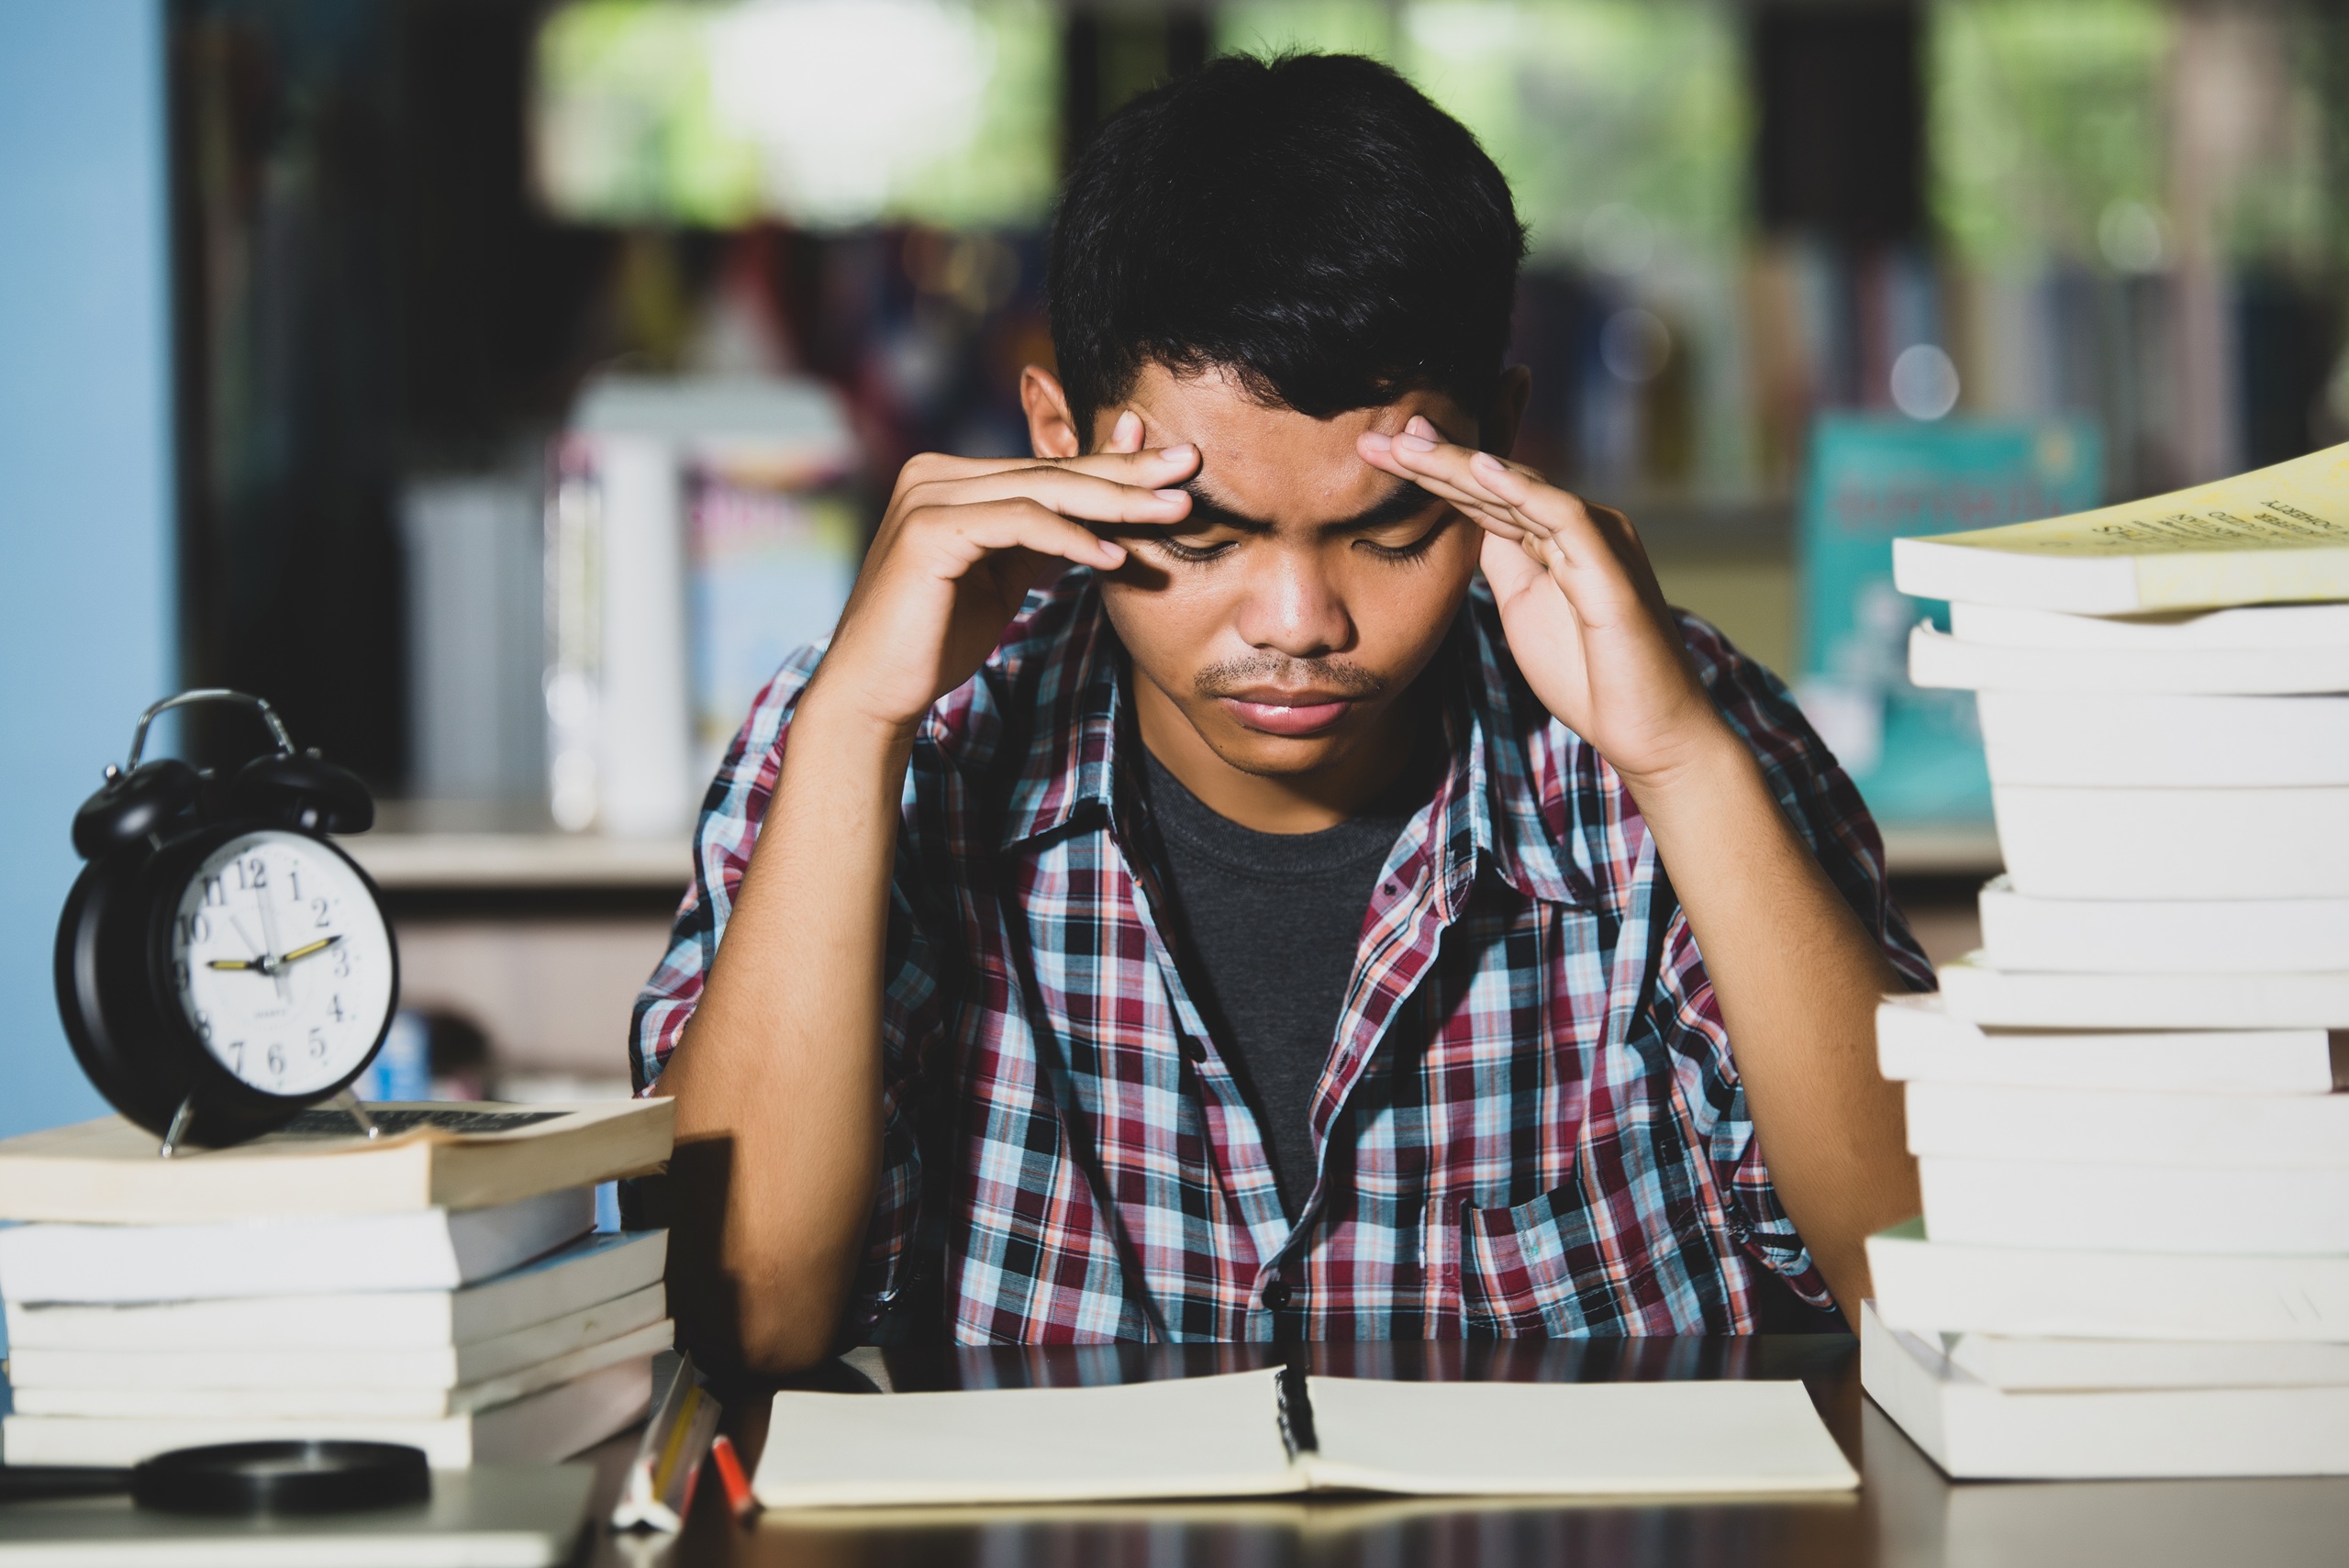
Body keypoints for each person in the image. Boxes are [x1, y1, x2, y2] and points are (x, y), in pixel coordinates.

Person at [631, 52, 1932, 1372]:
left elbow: (1933, 1281)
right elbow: (744, 1320)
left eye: (1391, 524)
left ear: (1501, 448)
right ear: (1059, 441)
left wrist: (1681, 762)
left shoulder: (1679, 725)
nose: (1298, 620)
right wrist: (857, 726)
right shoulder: (871, 735)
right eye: (1200, 532)